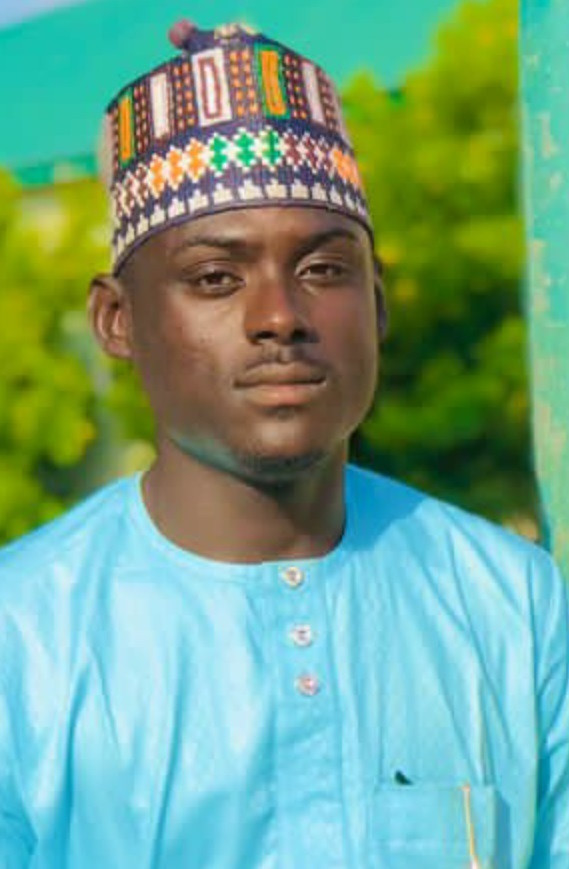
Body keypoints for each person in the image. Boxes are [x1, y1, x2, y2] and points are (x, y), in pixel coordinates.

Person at [0, 19, 567, 869]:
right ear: (117, 319)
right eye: (215, 278)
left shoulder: (510, 604)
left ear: (376, 303)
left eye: (322, 270)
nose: (279, 317)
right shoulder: (23, 635)